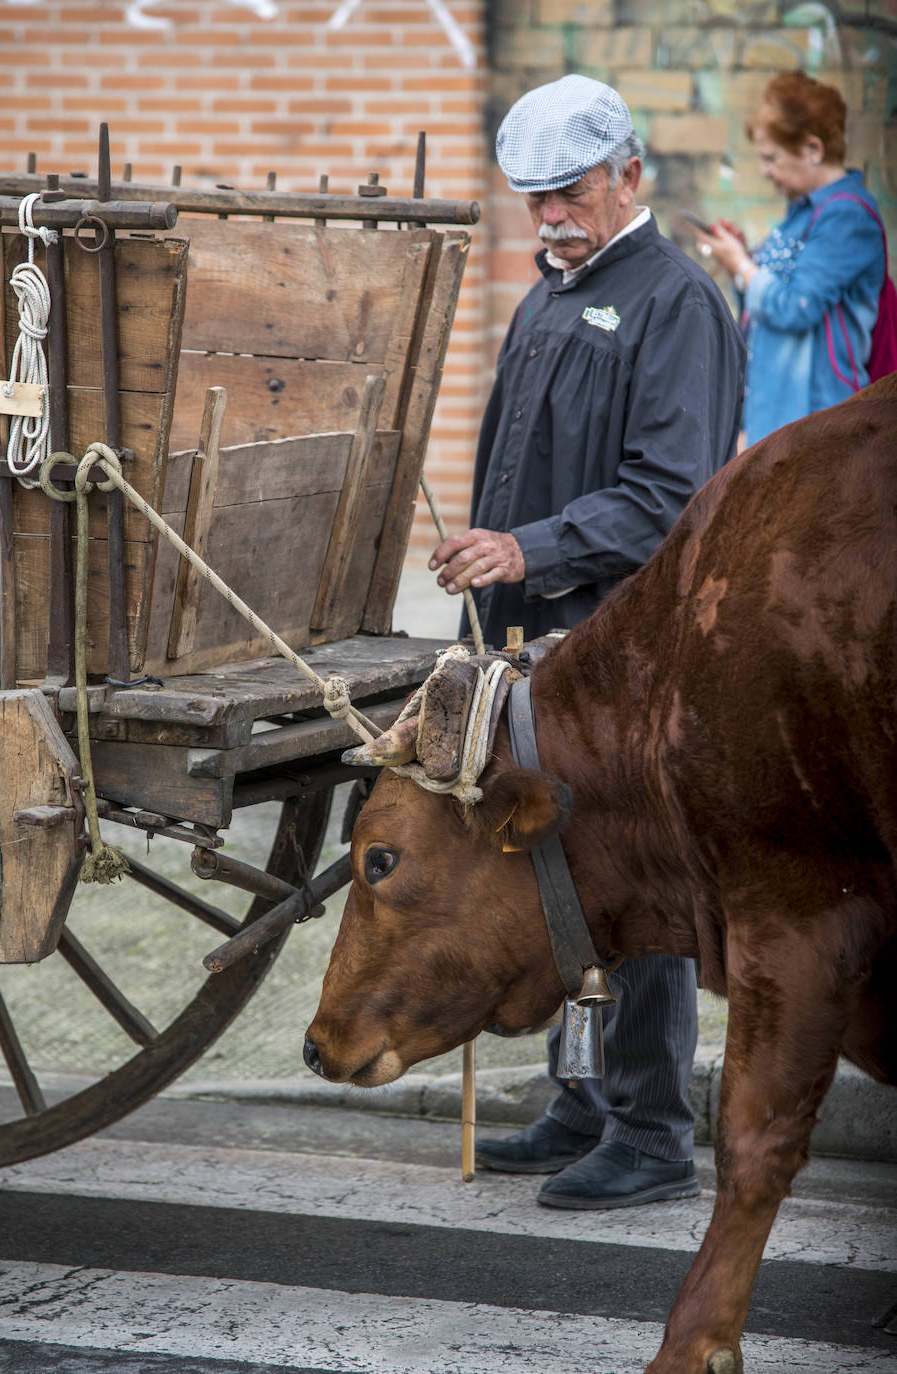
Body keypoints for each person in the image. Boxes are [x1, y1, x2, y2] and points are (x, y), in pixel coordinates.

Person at [428, 74, 746, 1210]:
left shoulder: (678, 301)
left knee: (629, 881)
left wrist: (525, 548)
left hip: (627, 655)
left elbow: (670, 497)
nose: (550, 216)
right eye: (533, 198)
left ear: (628, 175)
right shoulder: (547, 297)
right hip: (531, 646)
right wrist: (488, 563)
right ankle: (580, 1103)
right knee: (550, 877)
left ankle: (650, 1131)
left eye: (568, 193)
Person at [696, 71, 886, 446]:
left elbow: (795, 307)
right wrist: (744, 262)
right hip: (779, 417)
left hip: (819, 423)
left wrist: (742, 266)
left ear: (813, 149)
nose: (765, 171)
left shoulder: (847, 216)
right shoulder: (802, 213)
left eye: (771, 158)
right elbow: (763, 308)